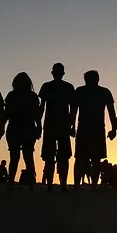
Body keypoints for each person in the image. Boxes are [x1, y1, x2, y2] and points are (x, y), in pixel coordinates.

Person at [71, 69, 117, 189]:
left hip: (88, 129)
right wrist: (114, 129)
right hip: (92, 129)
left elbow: (73, 111)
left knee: (84, 159)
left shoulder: (81, 91)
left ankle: (81, 185)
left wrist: (114, 128)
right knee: (90, 159)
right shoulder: (102, 92)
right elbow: (111, 112)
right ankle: (91, 185)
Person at [0, 72, 41, 190]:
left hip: (20, 128)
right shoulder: (27, 96)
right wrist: (39, 127)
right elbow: (36, 114)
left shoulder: (16, 96)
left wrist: (2, 126)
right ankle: (21, 185)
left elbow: (6, 113)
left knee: (17, 158)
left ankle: (13, 184)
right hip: (21, 128)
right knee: (25, 157)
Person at [37, 63, 75, 191]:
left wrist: (72, 125)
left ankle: (61, 184)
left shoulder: (67, 87)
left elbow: (73, 109)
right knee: (50, 157)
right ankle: (51, 185)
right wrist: (38, 124)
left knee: (62, 157)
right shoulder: (48, 87)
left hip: (60, 126)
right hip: (51, 125)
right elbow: (42, 107)